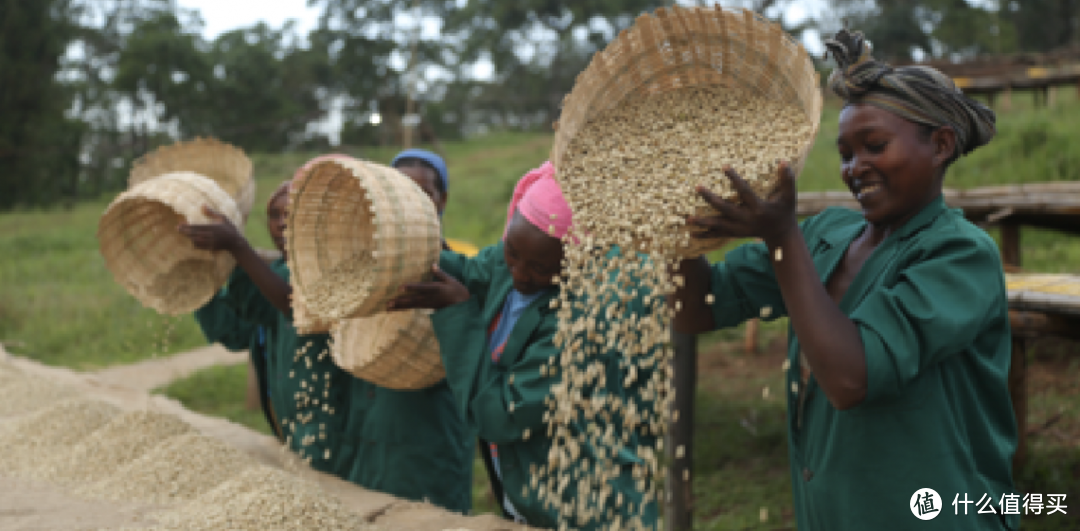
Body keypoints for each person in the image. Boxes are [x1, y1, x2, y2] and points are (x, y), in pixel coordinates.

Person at [671, 28, 1018, 530]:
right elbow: (698, 307)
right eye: (846, 154)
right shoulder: (829, 235)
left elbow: (851, 378)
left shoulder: (960, 254)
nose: (855, 168)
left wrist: (783, 236)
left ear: (941, 144)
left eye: (874, 146)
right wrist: (675, 230)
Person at [183, 155, 474, 514]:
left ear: (441, 200)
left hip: (423, 437)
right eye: (275, 215)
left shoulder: (454, 269)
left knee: (427, 512)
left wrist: (239, 249)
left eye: (423, 191)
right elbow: (266, 317)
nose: (283, 223)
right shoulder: (365, 266)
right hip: (363, 432)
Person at [388, 162, 657, 530]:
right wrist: (394, 254)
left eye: (541, 267)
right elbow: (470, 270)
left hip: (584, 509)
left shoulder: (586, 323)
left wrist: (455, 312)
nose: (519, 273)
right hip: (526, 497)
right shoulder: (507, 263)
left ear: (579, 260)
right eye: (512, 253)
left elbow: (500, 416)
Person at [392, 148, 479, 257]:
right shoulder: (374, 258)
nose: (411, 203)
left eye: (424, 194)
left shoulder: (465, 258)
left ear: (443, 200)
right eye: (402, 192)